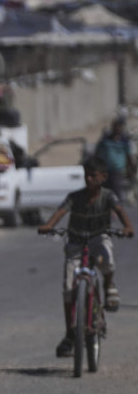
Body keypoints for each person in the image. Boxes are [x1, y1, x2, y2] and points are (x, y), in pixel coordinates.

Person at [38, 157, 134, 358]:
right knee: (68, 288)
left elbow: (120, 211)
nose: (88, 179)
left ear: (103, 177)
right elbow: (60, 212)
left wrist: (127, 227)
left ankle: (108, 285)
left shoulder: (108, 196)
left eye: (93, 175)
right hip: (75, 241)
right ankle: (70, 334)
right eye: (86, 175)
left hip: (99, 238)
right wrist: (49, 225)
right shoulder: (75, 196)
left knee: (107, 260)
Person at [94, 117, 136, 200]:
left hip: (117, 172)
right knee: (103, 194)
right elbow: (97, 154)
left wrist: (132, 171)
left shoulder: (124, 141)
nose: (118, 128)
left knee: (117, 194)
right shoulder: (105, 140)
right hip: (105, 171)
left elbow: (129, 157)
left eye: (120, 126)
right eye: (116, 125)